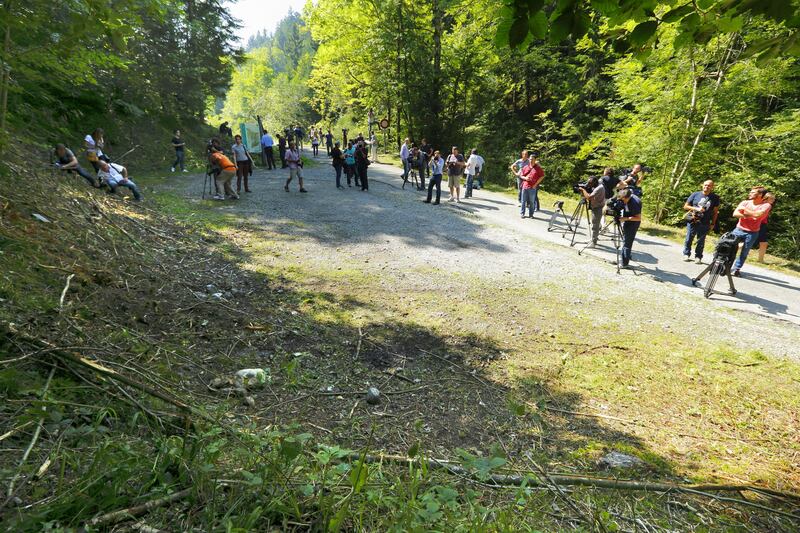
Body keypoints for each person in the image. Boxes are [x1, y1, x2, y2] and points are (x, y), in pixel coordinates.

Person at [731, 186, 772, 276]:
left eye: (753, 192)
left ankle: (736, 269)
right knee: (730, 247)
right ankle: (726, 265)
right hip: (739, 229)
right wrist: (751, 215)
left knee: (744, 251)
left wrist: (744, 210)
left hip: (752, 232)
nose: (750, 193)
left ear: (760, 194)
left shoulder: (766, 205)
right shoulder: (745, 202)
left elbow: (757, 215)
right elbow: (735, 214)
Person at [682, 180, 720, 264]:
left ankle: (698, 257)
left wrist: (713, 223)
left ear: (712, 187)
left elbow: (715, 212)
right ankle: (686, 254)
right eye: (705, 185)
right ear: (702, 185)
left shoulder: (715, 197)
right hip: (693, 220)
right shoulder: (695, 194)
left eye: (709, 185)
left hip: (705, 222)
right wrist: (696, 208)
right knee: (689, 238)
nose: (707, 187)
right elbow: (685, 206)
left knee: (701, 240)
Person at [617, 188, 642, 269]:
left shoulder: (635, 202)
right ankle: (627, 256)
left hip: (633, 223)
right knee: (625, 240)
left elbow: (638, 218)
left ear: (628, 198)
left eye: (623, 200)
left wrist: (625, 219)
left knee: (627, 243)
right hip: (627, 220)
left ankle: (624, 263)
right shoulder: (623, 195)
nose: (622, 202)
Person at [579, 176, 606, 245]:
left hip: (598, 208)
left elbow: (589, 197)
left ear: (594, 182)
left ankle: (593, 243)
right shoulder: (597, 184)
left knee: (595, 226)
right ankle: (593, 239)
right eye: (588, 182)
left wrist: (583, 190)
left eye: (590, 183)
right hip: (595, 207)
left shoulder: (599, 188)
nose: (588, 184)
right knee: (595, 225)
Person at [756, 193, 776, 262]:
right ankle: (731, 249)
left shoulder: (759, 204)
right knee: (761, 242)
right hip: (761, 224)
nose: (773, 200)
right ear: (766, 198)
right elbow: (761, 215)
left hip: (760, 224)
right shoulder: (767, 205)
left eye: (774, 199)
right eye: (772, 199)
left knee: (763, 243)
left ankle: (760, 260)